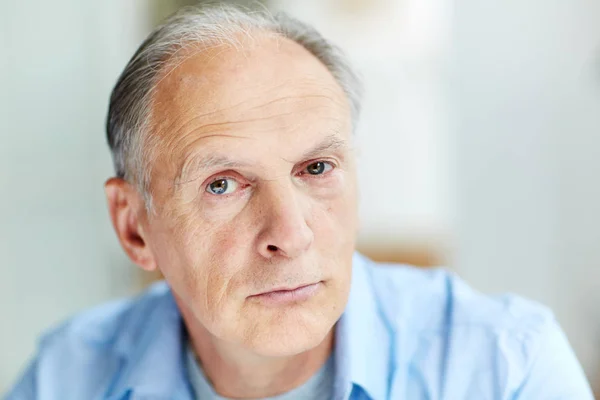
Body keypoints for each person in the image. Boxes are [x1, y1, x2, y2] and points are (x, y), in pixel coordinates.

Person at [6, 4, 594, 400]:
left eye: (316, 168)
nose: (290, 234)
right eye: (222, 184)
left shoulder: (506, 369)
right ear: (134, 228)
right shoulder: (66, 378)